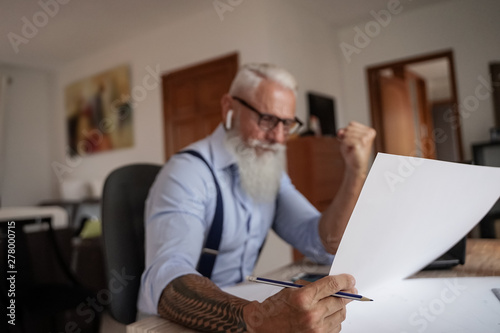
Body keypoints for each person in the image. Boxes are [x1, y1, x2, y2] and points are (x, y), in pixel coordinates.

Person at [137, 63, 376, 332]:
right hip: (174, 323)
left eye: (287, 124)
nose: (277, 138)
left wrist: (356, 172)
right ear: (229, 108)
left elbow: (323, 243)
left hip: (241, 307)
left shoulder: (267, 172)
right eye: (266, 119)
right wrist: (257, 319)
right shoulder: (188, 172)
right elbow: (166, 277)